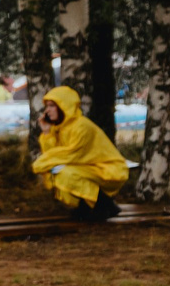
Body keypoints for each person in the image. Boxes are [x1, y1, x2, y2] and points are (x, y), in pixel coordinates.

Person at [31, 84, 128, 220]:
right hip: (87, 167)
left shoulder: (81, 126)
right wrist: (47, 133)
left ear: (64, 106)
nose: (47, 111)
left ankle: (102, 205)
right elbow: (53, 153)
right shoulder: (60, 127)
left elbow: (72, 154)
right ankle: (90, 206)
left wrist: (41, 163)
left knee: (65, 174)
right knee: (57, 173)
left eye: (52, 106)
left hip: (108, 168)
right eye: (47, 106)